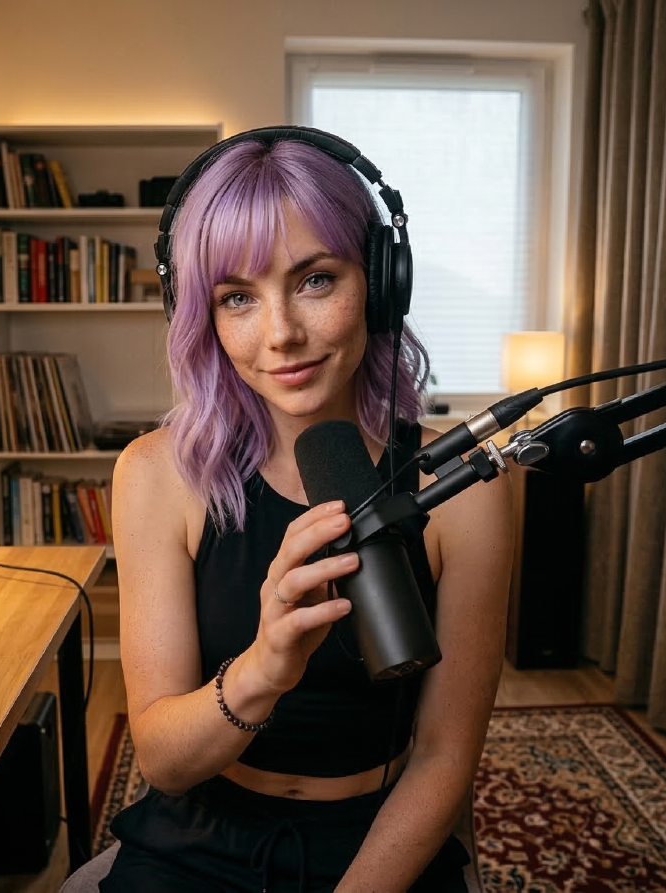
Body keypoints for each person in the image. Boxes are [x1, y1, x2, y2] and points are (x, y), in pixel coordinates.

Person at [79, 129, 513, 892]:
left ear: (381, 281)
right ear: (202, 316)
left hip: (379, 839)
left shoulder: (464, 487)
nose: (279, 334)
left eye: (315, 280)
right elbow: (163, 759)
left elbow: (445, 756)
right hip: (198, 835)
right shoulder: (154, 475)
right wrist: (262, 669)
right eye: (237, 297)